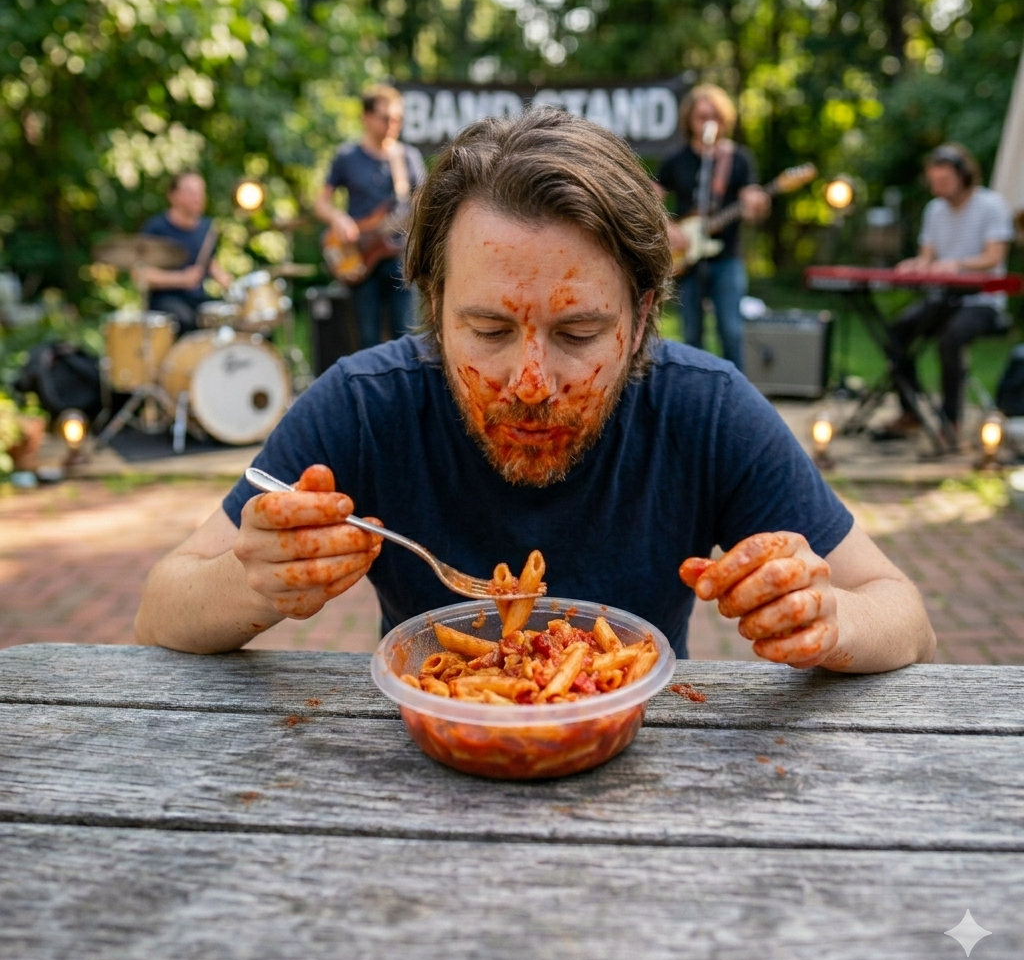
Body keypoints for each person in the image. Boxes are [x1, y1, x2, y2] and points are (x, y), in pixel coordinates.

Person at [135, 108, 935, 674]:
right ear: (435, 309)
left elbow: (905, 617)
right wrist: (257, 578)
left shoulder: (703, 408)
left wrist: (829, 620)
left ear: (642, 314)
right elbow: (160, 611)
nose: (530, 386)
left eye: (578, 333)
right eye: (486, 329)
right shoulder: (364, 406)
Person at [883, 144, 1014, 440]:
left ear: (964, 176)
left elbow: (994, 257)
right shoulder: (935, 210)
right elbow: (927, 256)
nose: (938, 189)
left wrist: (958, 265)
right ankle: (911, 409)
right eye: (933, 183)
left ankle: (950, 420)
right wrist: (915, 265)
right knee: (896, 332)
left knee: (951, 337)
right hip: (943, 298)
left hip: (984, 301)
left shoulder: (991, 205)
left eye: (944, 182)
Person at [654, 84, 770, 372]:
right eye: (701, 116)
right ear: (689, 121)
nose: (709, 123)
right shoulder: (676, 160)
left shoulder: (739, 159)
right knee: (691, 333)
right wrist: (668, 227)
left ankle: (736, 397)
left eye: (715, 116)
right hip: (687, 260)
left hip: (727, 258)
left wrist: (757, 203)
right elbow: (648, 198)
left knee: (731, 330)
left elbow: (754, 207)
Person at [314, 84, 427, 349]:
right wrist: (339, 219)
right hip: (360, 257)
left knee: (407, 340)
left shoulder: (407, 157)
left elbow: (424, 204)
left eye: (398, 119)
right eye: (385, 118)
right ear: (366, 117)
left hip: (398, 259)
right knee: (367, 340)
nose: (393, 124)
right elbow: (321, 202)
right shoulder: (347, 157)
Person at [139, 171, 232, 332]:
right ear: (173, 195)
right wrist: (181, 279)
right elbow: (142, 275)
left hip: (197, 299)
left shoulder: (207, 228)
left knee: (233, 315)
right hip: (165, 300)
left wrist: (232, 285)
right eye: (191, 192)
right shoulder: (157, 228)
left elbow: (211, 265)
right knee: (186, 319)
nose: (197, 197)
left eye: (201, 192)